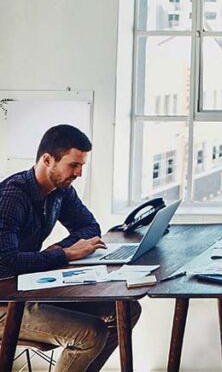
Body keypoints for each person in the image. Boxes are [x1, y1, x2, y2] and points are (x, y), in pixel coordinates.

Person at [0, 124, 142, 372]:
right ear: (47, 160)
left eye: (82, 166)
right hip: (4, 301)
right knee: (91, 334)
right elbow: (5, 263)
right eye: (73, 165)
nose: (79, 173)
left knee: (126, 311)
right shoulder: (12, 196)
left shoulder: (60, 191)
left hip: (27, 290)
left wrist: (59, 248)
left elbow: (90, 227)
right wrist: (63, 254)